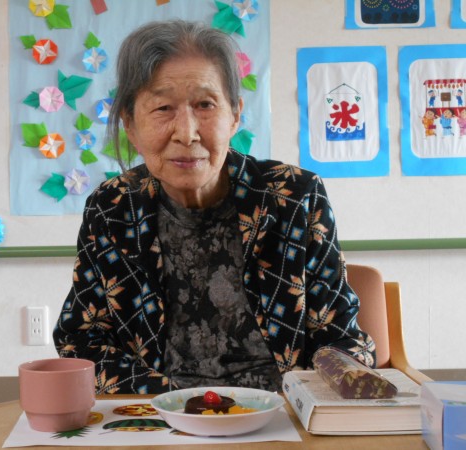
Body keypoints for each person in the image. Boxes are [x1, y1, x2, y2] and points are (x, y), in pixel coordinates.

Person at [53, 20, 375, 394]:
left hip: (278, 410)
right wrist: (178, 401)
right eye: (162, 108)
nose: (187, 132)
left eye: (205, 105)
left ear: (235, 114)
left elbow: (340, 339)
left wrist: (314, 391)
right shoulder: (112, 209)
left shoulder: (295, 197)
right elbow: (80, 342)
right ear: (130, 124)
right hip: (161, 412)